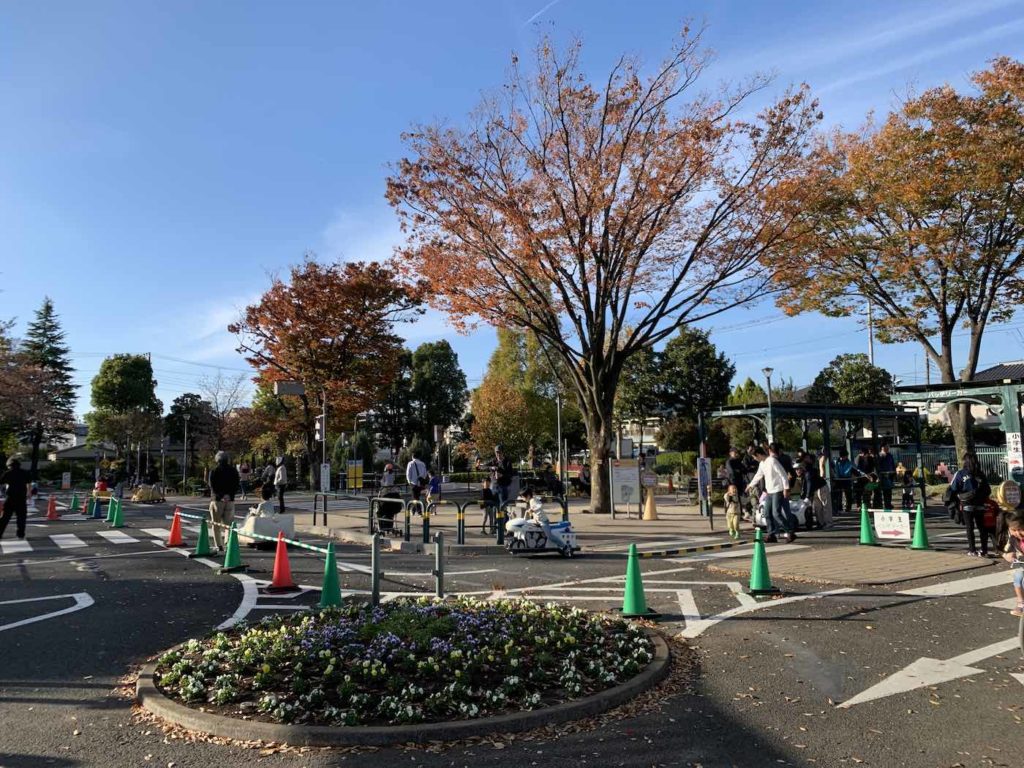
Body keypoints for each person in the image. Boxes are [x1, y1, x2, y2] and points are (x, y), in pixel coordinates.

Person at [745, 445, 796, 543]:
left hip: (778, 490)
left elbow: (783, 474)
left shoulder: (772, 461)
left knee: (776, 513)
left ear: (759, 454)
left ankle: (790, 532)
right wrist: (750, 485)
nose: (755, 459)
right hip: (769, 491)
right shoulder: (762, 464)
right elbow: (758, 475)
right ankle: (771, 534)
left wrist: (786, 488)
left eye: (755, 457)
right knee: (767, 513)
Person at [949, 452, 992, 556]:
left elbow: (953, 488)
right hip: (980, 503)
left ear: (965, 461)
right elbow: (988, 490)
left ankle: (972, 550)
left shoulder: (960, 473)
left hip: (967, 503)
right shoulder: (980, 474)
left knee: (969, 528)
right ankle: (984, 550)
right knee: (982, 528)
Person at [208, 451, 240, 552]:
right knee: (229, 525)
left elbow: (212, 485)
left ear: (217, 460)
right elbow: (236, 484)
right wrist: (229, 495)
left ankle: (219, 545)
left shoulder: (214, 471)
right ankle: (228, 542)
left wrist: (221, 496)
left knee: (216, 524)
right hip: (230, 500)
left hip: (217, 500)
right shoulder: (233, 470)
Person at [522, 488, 569, 554]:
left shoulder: (533, 500)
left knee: (550, 536)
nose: (523, 499)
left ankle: (565, 546)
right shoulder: (532, 500)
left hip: (543, 521)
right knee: (527, 524)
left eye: (523, 497)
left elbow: (539, 505)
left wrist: (532, 509)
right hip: (537, 521)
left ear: (528, 496)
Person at [0, 457, 31, 541]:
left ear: (9, 465)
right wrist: (29, 493)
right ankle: (20, 534)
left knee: (5, 517)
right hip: (21, 498)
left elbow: (1, 482)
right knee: (21, 517)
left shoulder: (8, 473)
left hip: (10, 498)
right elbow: (29, 483)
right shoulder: (25, 472)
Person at [1000, 510, 1024, 617]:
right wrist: (1008, 555)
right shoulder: (1013, 538)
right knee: (1018, 577)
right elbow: (1007, 550)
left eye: (1021, 530)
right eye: (1014, 530)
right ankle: (1021, 603)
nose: (1018, 533)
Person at [490, 444, 514, 511]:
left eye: (499, 452)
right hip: (494, 486)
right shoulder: (493, 461)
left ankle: (504, 517)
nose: (498, 454)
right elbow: (484, 466)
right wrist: (491, 468)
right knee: (494, 506)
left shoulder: (507, 462)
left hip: (503, 487)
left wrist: (502, 475)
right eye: (496, 452)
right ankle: (495, 518)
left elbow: (510, 474)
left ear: (502, 452)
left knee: (502, 506)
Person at [833, 449, 854, 515]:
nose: (844, 458)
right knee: (839, 494)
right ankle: (840, 508)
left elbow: (851, 469)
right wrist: (838, 477)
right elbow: (836, 470)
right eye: (843, 456)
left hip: (847, 479)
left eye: (845, 456)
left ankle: (848, 507)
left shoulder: (849, 462)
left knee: (848, 494)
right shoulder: (837, 462)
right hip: (839, 479)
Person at [854, 446, 873, 511]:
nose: (865, 456)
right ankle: (859, 505)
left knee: (868, 491)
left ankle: (867, 504)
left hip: (868, 477)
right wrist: (865, 474)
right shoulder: (857, 459)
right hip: (859, 478)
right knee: (859, 492)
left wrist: (870, 475)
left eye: (867, 455)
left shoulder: (870, 458)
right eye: (865, 455)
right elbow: (857, 469)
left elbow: (871, 467)